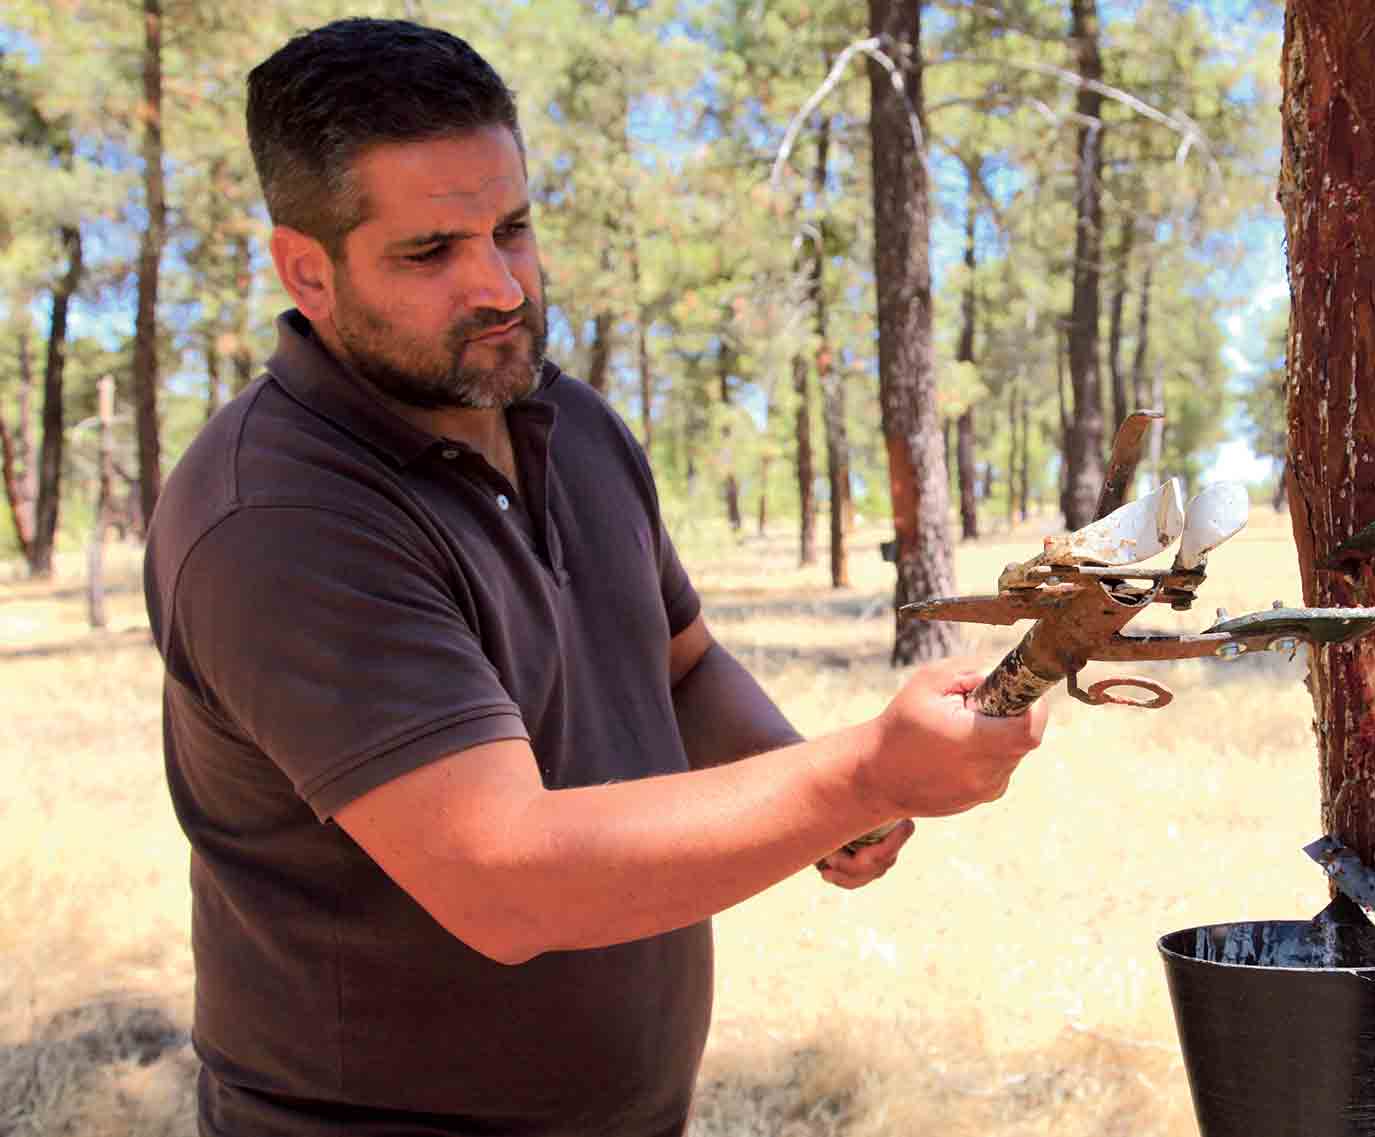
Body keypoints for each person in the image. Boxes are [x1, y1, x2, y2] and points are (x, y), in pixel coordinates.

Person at [142, 18, 1047, 1137]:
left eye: (513, 229)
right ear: (307, 272)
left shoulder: (568, 423)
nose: (501, 286)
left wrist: (795, 783)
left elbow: (680, 665)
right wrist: (859, 777)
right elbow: (506, 881)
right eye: (431, 253)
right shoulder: (280, 515)